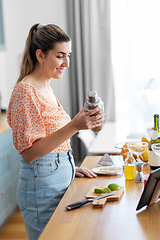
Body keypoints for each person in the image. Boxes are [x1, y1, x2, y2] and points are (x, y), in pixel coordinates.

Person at [7, 23, 105, 240]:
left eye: (68, 55)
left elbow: (51, 143)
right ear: (40, 55)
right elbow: (29, 153)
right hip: (40, 189)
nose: (66, 63)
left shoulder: (46, 88)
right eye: (60, 56)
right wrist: (74, 126)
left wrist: (67, 167)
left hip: (57, 177)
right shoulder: (25, 92)